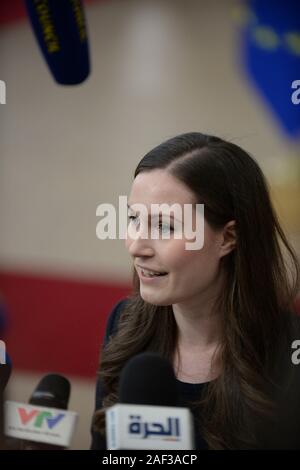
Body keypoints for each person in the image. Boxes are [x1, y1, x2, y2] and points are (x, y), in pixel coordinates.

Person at [91, 132, 300, 450]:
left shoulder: (290, 354)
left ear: (228, 238)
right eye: (134, 218)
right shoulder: (124, 324)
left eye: (164, 226)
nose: (136, 246)